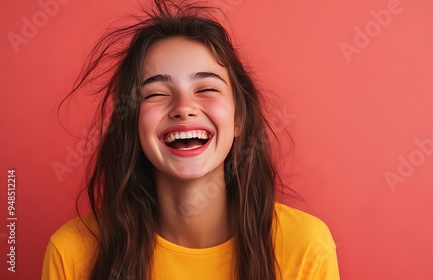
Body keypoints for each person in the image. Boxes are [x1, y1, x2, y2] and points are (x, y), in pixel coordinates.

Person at [42, 1, 340, 279]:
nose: (183, 107)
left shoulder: (306, 247)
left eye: (206, 89)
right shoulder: (71, 253)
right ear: (132, 123)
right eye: (156, 93)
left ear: (239, 119)